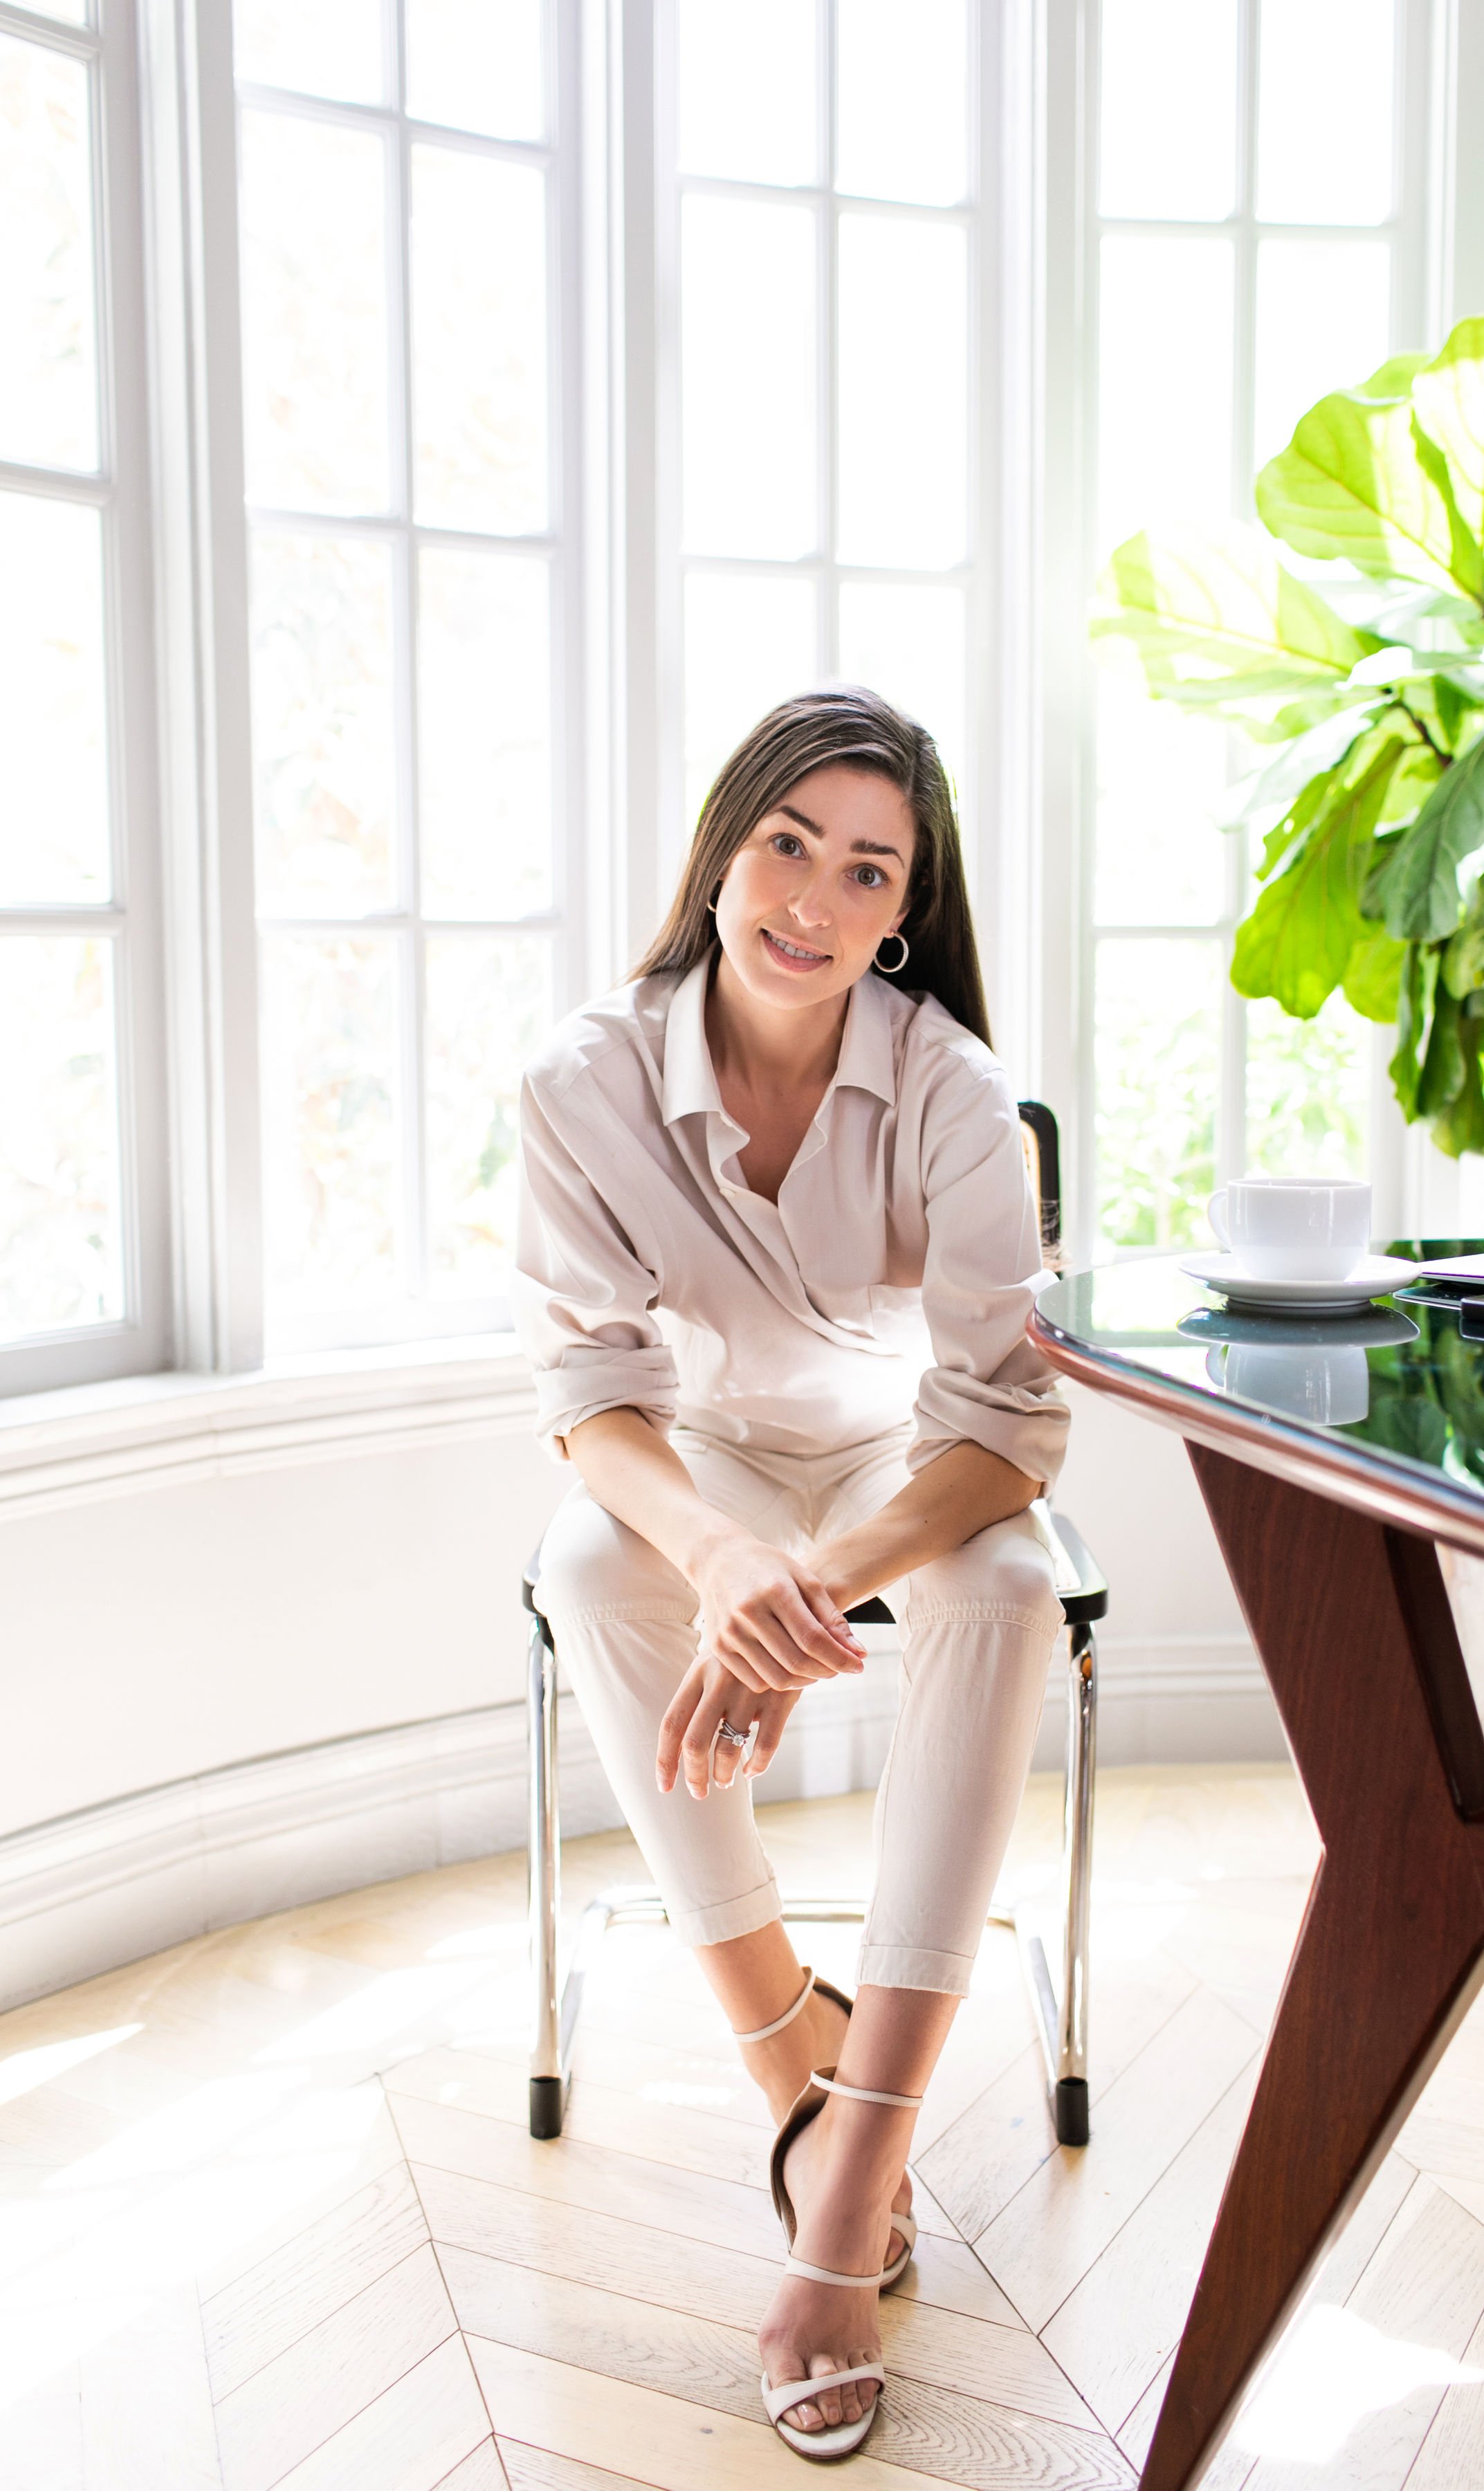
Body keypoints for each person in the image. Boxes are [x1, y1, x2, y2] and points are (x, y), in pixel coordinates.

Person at [513, 686, 1068, 2461]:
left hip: (913, 1459)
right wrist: (727, 1551)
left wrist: (803, 1584)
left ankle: (849, 2196)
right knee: (599, 1572)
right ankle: (789, 2067)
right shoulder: (581, 1080)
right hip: (709, 1452)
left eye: (865, 870)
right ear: (724, 845)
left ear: (906, 911)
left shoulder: (957, 1094)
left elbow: (1003, 1432)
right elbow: (594, 1403)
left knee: (1011, 1594)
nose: (812, 901)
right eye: (785, 844)